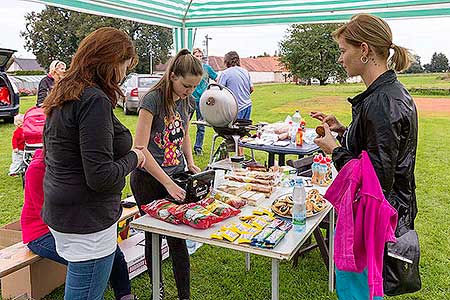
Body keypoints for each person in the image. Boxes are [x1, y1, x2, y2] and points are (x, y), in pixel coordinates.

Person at [312, 13, 417, 298]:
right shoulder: (385, 94)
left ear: (365, 50)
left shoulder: (383, 101)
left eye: (344, 50)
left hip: (374, 221)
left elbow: (375, 179)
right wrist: (345, 131)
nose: (340, 58)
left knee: (360, 292)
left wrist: (335, 149)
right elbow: (377, 150)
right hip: (379, 214)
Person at [42, 27, 145, 300]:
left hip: (64, 210)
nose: (124, 74)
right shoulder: (93, 100)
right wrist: (134, 157)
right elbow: (100, 176)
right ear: (111, 62)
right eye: (124, 66)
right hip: (87, 220)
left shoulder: (65, 91)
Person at [131, 48, 202, 300]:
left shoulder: (187, 101)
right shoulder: (152, 100)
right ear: (172, 76)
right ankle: (156, 291)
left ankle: (185, 296)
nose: (189, 92)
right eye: (186, 85)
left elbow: (183, 133)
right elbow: (139, 148)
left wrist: (190, 162)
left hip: (175, 175)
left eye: (194, 87)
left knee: (178, 238)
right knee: (154, 236)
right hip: (148, 180)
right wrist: (168, 183)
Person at [21, 149, 137, 300]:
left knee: (112, 251)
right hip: (40, 232)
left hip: (71, 224)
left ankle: (125, 295)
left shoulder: (74, 163)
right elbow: (47, 214)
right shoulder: (37, 169)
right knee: (89, 260)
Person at [191, 48, 218, 156]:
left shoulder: (207, 68)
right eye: (196, 56)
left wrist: (213, 91)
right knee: (183, 123)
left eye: (200, 56)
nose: (198, 58)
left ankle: (198, 147)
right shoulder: (189, 68)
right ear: (192, 56)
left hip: (202, 101)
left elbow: (217, 78)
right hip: (189, 99)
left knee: (201, 126)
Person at [218, 51, 254, 120]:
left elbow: (219, 92)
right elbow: (251, 89)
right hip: (247, 106)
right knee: (244, 129)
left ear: (226, 61)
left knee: (232, 130)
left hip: (235, 108)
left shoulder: (225, 73)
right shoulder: (245, 71)